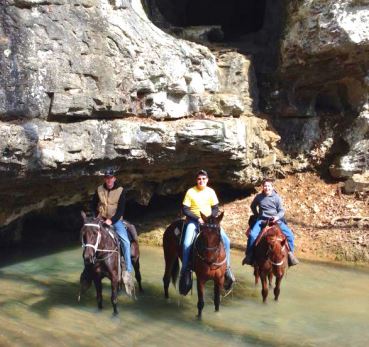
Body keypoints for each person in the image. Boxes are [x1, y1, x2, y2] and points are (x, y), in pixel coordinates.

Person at [180, 169, 235, 293]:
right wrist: (198, 218)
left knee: (226, 240)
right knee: (186, 243)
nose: (201, 181)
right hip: (194, 221)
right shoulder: (191, 191)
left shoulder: (211, 191)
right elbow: (185, 209)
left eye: (203, 179)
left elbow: (215, 208)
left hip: (210, 222)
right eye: (199, 179)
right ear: (196, 180)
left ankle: (227, 269)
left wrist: (211, 219)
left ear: (207, 180)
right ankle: (185, 270)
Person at [90, 168, 134, 283]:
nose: (109, 180)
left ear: (114, 178)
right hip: (101, 219)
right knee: (90, 239)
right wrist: (96, 216)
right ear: (105, 179)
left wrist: (111, 221)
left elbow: (121, 210)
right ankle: (88, 269)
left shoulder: (121, 190)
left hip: (116, 220)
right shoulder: (99, 189)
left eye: (111, 177)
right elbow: (92, 205)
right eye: (107, 178)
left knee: (125, 241)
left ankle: (128, 270)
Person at [242, 179, 299, 266]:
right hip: (262, 220)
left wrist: (276, 217)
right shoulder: (259, 197)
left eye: (269, 186)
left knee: (290, 235)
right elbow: (253, 206)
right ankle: (249, 255)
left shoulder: (277, 197)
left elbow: (281, 211)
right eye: (265, 186)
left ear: (272, 187)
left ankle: (290, 254)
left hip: (276, 220)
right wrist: (257, 215)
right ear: (263, 187)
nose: (267, 188)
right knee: (252, 235)